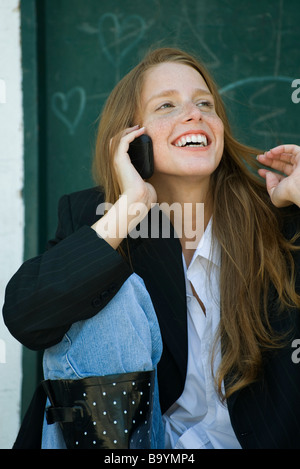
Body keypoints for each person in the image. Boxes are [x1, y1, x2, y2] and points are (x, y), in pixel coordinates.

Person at [3, 46, 300, 449]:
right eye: (166, 106)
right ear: (131, 138)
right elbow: (27, 316)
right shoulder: (99, 216)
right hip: (135, 445)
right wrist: (129, 208)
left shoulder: (279, 214)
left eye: (204, 103)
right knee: (108, 294)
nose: (194, 114)